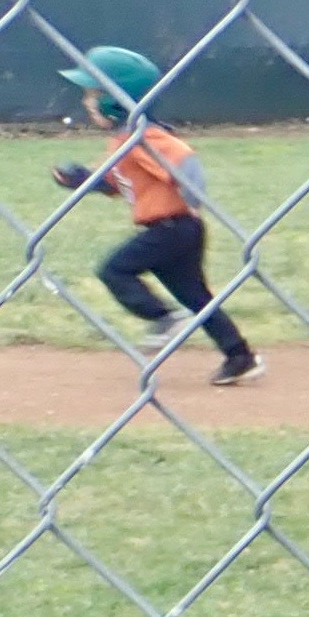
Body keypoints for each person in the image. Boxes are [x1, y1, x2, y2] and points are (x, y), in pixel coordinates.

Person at [50, 44, 261, 387]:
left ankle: (163, 317)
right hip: (177, 228)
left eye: (93, 94)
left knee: (114, 269)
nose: (86, 102)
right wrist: (82, 179)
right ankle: (239, 356)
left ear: (116, 99)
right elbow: (118, 183)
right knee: (196, 297)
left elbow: (185, 158)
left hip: (171, 229)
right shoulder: (125, 140)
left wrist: (192, 196)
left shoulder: (145, 136)